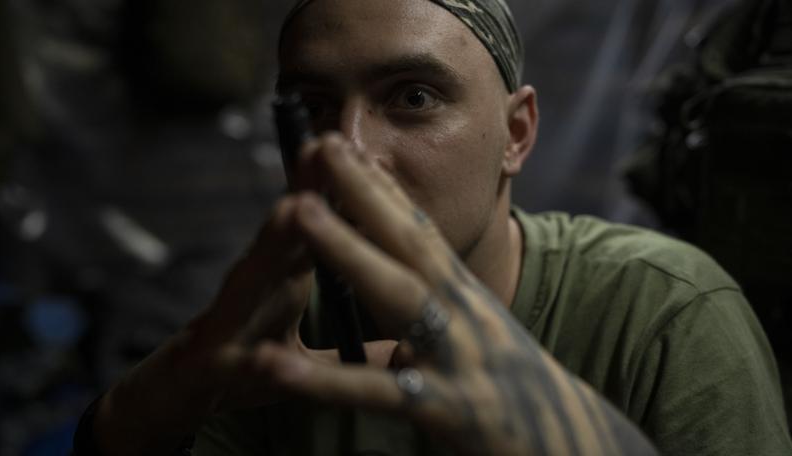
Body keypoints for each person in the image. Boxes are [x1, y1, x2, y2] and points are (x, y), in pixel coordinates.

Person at [74, 0, 792, 454]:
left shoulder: (662, 311)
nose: (348, 151)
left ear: (516, 133)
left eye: (413, 98)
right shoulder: (285, 329)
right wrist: (137, 413)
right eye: (313, 108)